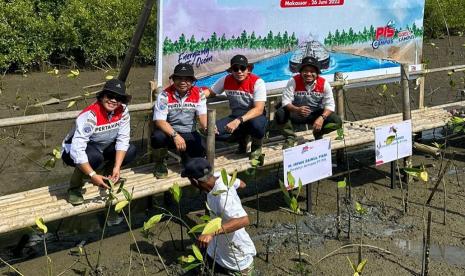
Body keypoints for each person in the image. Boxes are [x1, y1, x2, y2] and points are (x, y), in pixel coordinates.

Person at [62, 79, 136, 205]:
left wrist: (117, 167)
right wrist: (92, 175)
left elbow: (123, 139)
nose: (113, 100)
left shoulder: (123, 111)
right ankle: (74, 188)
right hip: (74, 150)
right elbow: (77, 149)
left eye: (118, 98)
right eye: (110, 96)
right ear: (102, 96)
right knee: (94, 157)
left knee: (130, 150)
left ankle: (109, 176)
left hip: (102, 146)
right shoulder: (90, 115)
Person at [181, 158, 256, 275]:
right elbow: (242, 184)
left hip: (236, 258)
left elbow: (244, 220)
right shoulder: (219, 176)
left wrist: (211, 233)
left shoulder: (222, 197)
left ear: (195, 181)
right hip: (216, 249)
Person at [151, 63, 207, 179]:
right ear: (173, 79)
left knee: (200, 152)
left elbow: (202, 116)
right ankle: (160, 162)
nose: (182, 82)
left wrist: (207, 127)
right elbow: (159, 121)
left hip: (189, 131)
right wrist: (175, 135)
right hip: (169, 132)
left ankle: (185, 157)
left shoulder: (199, 93)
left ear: (192, 81)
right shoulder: (164, 95)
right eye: (179, 78)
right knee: (157, 137)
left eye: (187, 79)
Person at [207, 55, 267, 161]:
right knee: (212, 131)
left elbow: (259, 109)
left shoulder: (258, 82)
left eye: (242, 68)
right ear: (231, 71)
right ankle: (241, 139)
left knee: (257, 125)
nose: (239, 71)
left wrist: (238, 121)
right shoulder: (226, 79)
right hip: (235, 115)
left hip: (254, 116)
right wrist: (195, 96)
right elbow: (211, 92)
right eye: (235, 69)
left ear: (248, 69)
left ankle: (256, 147)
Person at [276, 56, 342, 148]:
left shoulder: (324, 83)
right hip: (297, 113)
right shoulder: (293, 81)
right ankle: (290, 137)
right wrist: (296, 109)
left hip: (315, 114)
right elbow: (285, 102)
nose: (308, 74)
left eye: (312, 71)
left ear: (317, 73)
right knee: (280, 113)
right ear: (300, 72)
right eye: (305, 71)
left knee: (337, 122)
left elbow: (330, 105)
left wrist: (322, 118)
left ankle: (318, 132)